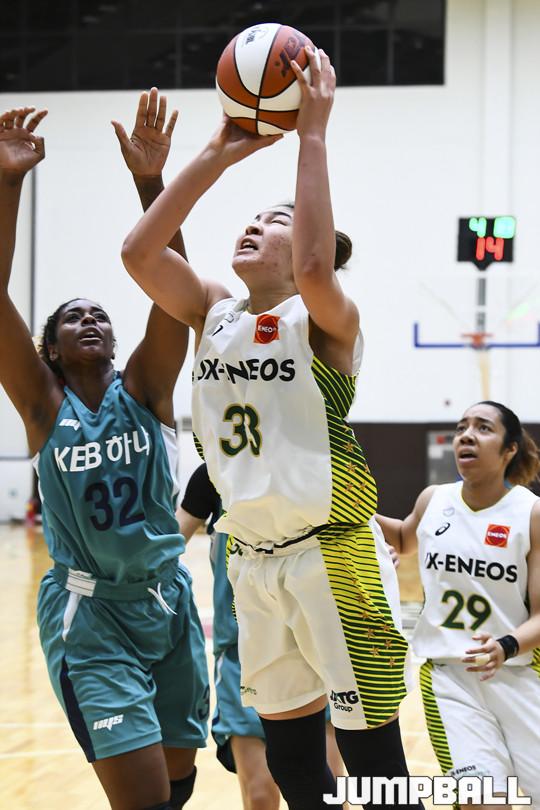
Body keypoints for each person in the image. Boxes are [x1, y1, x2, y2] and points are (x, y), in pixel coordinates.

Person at [122, 49, 420, 810]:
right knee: (292, 765)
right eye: (252, 218)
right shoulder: (213, 311)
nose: (255, 224)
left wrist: (311, 134)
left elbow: (316, 269)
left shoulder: (324, 319)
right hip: (250, 563)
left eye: (276, 220)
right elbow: (138, 252)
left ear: (313, 250)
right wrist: (216, 153)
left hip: (333, 557)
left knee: (376, 765)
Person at [0, 91, 209, 810]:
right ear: (51, 349)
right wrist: (8, 183)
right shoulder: (42, 405)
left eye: (100, 315)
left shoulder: (146, 389)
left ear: (116, 340)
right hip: (91, 616)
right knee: (143, 798)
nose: (89, 319)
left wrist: (151, 183)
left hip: (169, 600)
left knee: (177, 785)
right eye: (72, 318)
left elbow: (178, 292)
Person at [377, 401, 540, 807]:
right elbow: (404, 538)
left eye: (483, 428)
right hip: (450, 677)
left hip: (519, 673)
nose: (466, 435)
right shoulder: (434, 499)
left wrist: (506, 645)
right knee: (482, 801)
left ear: (510, 450)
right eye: (462, 427)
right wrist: (351, 513)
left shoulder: (530, 513)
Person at [178, 462, 351, 810]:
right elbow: (166, 544)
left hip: (313, 645)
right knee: (259, 795)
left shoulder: (311, 460)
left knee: (329, 790)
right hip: (240, 652)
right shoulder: (213, 473)